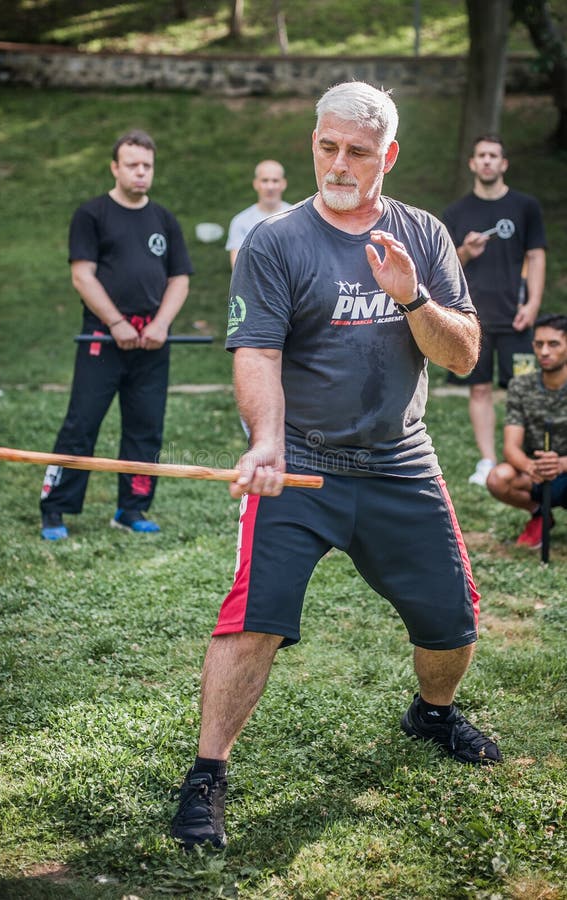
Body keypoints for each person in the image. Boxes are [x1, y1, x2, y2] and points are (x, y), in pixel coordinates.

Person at [170, 81, 501, 852]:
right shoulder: (275, 242)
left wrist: (412, 297)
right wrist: (264, 442)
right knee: (252, 617)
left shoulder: (422, 235)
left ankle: (432, 713)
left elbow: (461, 357)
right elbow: (257, 353)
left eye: (356, 150)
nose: (337, 163)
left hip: (398, 459)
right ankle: (206, 774)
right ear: (312, 142)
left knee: (451, 618)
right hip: (302, 464)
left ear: (387, 154)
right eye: (326, 146)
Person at [39, 129, 193, 541]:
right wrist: (116, 323)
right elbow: (82, 275)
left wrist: (160, 323)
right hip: (102, 338)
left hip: (153, 341)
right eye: (132, 165)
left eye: (147, 166)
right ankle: (55, 507)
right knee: (82, 422)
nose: (141, 173)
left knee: (146, 426)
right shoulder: (92, 215)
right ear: (115, 167)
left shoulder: (164, 219)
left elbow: (179, 279)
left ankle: (132, 507)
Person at [443, 135, 547, 487]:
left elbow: (535, 256)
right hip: (474, 320)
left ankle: (524, 458)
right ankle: (488, 460)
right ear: (472, 163)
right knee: (480, 390)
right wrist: (466, 252)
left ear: (503, 164)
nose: (487, 161)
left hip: (516, 317)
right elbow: (445, 266)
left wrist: (532, 304)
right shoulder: (456, 213)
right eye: (481, 156)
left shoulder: (525, 206)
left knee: (525, 391)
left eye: (494, 156)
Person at [486, 314, 567, 548]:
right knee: (498, 478)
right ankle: (540, 513)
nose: (544, 352)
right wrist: (532, 467)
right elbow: (511, 447)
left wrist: (561, 463)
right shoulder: (520, 386)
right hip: (536, 473)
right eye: (538, 344)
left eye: (553, 344)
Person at [225, 159, 291, 269]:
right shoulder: (240, 221)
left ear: (283, 184)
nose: (270, 187)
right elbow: (238, 268)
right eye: (264, 181)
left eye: (275, 181)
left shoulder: (297, 217)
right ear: (256, 184)